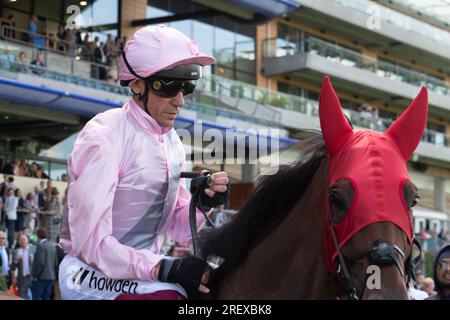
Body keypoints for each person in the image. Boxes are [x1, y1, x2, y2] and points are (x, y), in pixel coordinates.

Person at [58, 25, 229, 300]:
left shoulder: (173, 143)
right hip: (87, 271)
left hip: (141, 271)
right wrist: (163, 268)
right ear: (137, 84)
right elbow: (91, 244)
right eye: (169, 86)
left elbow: (177, 229)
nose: (180, 101)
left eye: (187, 87)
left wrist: (203, 203)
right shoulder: (103, 135)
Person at [30, 228, 59, 300]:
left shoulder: (40, 246)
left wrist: (35, 276)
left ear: (37, 235)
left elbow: (40, 262)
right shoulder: (52, 246)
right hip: (50, 277)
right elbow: (55, 263)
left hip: (40, 278)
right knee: (46, 298)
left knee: (35, 297)